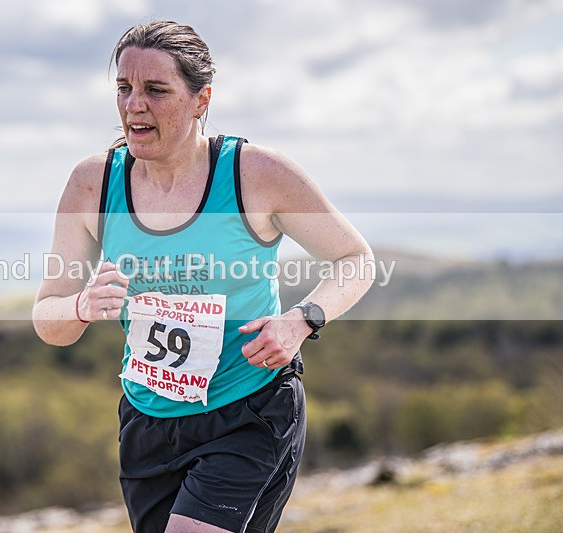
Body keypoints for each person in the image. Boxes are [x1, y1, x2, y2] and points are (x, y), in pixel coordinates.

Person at [32, 20, 374, 533]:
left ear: (201, 99)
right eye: (124, 89)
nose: (134, 105)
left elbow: (355, 259)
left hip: (249, 411)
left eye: (155, 90)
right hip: (147, 421)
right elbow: (46, 316)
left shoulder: (255, 174)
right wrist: (81, 305)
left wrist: (300, 320)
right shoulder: (93, 184)